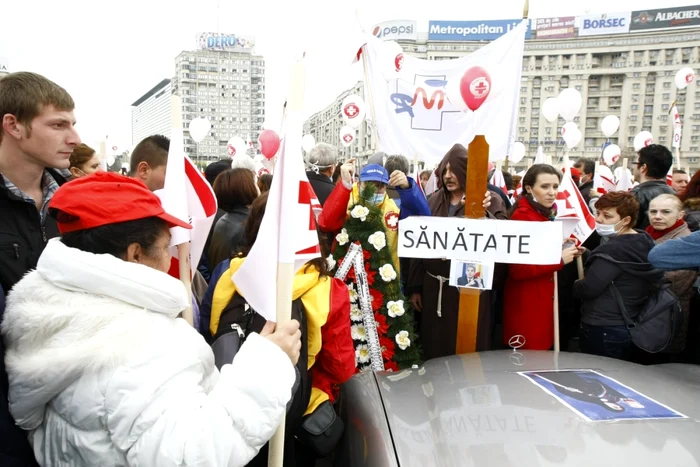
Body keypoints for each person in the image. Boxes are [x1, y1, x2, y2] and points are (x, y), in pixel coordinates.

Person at [2, 172, 302, 467]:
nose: (171, 259)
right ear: (135, 255)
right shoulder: (141, 343)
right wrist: (268, 365)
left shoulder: (48, 306)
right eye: (164, 247)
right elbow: (193, 454)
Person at [204, 192, 356, 466]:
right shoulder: (328, 291)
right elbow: (341, 368)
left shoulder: (229, 277)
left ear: (252, 230)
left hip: (229, 411)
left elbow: (210, 335)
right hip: (295, 421)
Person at [407, 143, 506, 359]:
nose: (448, 176)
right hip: (435, 287)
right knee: (435, 344)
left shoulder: (491, 200)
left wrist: (483, 214)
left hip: (470, 287)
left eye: (454, 170)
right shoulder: (432, 200)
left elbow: (500, 242)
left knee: (466, 345)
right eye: (445, 170)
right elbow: (419, 243)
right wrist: (416, 286)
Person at [573, 192, 664, 362]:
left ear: (626, 220)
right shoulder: (644, 242)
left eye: (607, 216)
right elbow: (621, 272)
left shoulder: (613, 251)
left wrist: (576, 284)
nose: (599, 219)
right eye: (597, 213)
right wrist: (589, 255)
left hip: (603, 326)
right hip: (631, 322)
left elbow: (589, 288)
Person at [502, 164, 583, 351]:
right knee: (527, 359)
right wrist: (559, 259)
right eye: (545, 186)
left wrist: (559, 244)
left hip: (540, 300)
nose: (552, 192)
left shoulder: (540, 213)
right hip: (527, 303)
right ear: (529, 188)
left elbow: (537, 250)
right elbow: (518, 270)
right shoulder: (523, 217)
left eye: (555, 186)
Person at [646, 194, 697, 356]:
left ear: (680, 215)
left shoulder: (686, 243)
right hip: (649, 314)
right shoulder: (646, 235)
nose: (658, 216)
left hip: (668, 314)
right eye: (653, 212)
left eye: (666, 212)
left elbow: (675, 284)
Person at [208, 168, 258, 269]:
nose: (258, 186)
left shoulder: (225, 220)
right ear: (246, 187)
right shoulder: (247, 225)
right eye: (254, 182)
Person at [631, 144, 675, 230]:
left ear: (643, 167)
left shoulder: (636, 195)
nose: (634, 167)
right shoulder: (675, 194)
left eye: (635, 163)